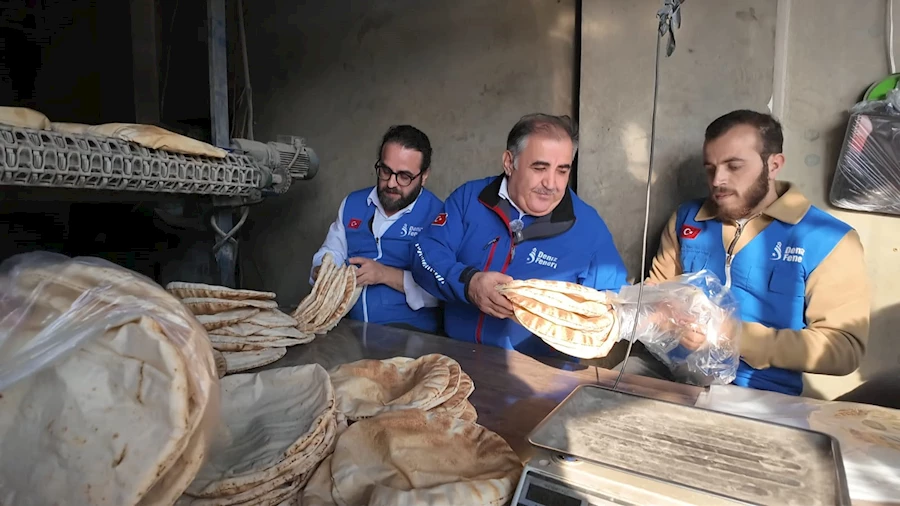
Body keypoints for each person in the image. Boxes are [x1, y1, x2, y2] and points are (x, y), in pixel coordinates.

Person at [622, 109, 870, 396]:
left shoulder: (828, 239)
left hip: (760, 391)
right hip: (668, 372)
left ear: (773, 165)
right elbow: (656, 292)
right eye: (710, 168)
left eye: (734, 166)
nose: (717, 180)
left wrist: (735, 335)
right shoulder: (687, 219)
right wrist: (665, 321)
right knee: (603, 393)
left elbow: (844, 348)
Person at [411, 113, 628, 357]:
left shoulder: (588, 227)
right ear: (509, 162)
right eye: (540, 168)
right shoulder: (469, 198)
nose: (551, 184)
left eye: (562, 171)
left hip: (540, 371)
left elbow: (617, 303)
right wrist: (469, 283)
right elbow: (424, 254)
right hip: (457, 355)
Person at [310, 125, 444, 333]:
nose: (391, 183)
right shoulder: (352, 204)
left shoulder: (438, 216)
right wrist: (323, 269)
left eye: (404, 176)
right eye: (385, 171)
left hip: (411, 336)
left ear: (424, 175)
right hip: (347, 330)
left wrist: (384, 274)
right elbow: (332, 251)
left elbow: (441, 290)